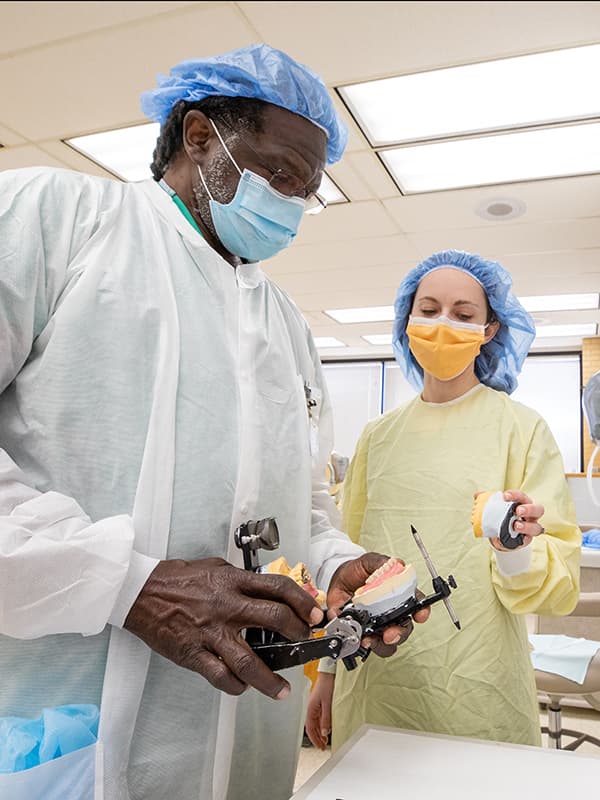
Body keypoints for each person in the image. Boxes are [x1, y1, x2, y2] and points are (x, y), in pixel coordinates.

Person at [0, 44, 428, 800]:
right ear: (201, 139)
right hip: (66, 730)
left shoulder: (285, 324)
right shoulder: (57, 219)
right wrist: (125, 583)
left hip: (248, 748)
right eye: (284, 174)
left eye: (310, 191)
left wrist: (333, 567)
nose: (294, 204)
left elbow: (299, 499)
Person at [305, 249, 581, 752]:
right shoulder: (378, 437)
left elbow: (558, 589)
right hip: (377, 681)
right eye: (428, 310)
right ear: (407, 321)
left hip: (480, 685)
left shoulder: (520, 430)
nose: (442, 323)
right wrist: (328, 668)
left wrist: (515, 550)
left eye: (463, 313)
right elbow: (344, 561)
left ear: (490, 329)